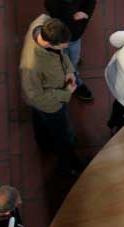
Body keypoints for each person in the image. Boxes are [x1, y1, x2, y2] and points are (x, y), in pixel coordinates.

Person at [20, 15, 83, 177]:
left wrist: (69, 70)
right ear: (48, 44)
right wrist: (65, 94)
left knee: (40, 120)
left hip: (48, 96)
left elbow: (61, 54)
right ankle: (68, 166)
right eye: (63, 45)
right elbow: (36, 97)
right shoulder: (31, 66)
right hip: (50, 104)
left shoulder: (43, 22)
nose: (66, 47)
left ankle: (43, 142)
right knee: (64, 134)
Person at [44, 0, 97, 101]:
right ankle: (75, 81)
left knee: (70, 56)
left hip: (74, 33)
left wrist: (85, 12)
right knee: (66, 57)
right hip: (63, 32)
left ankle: (71, 67)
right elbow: (51, 7)